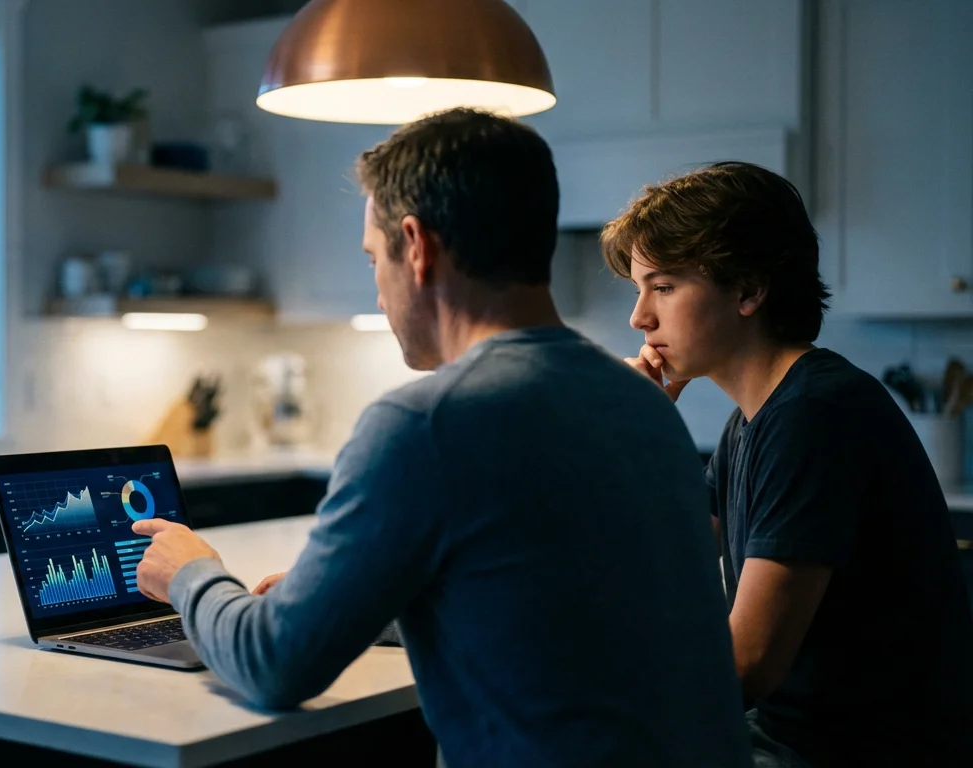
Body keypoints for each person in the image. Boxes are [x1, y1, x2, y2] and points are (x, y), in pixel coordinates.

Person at [131, 108, 750, 767]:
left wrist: (189, 573)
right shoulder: (641, 402)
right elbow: (549, 611)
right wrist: (356, 597)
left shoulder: (425, 424)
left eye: (375, 260)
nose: (377, 292)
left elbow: (274, 665)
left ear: (417, 246)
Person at [605, 161, 973, 767]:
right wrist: (643, 434)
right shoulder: (751, 421)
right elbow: (665, 579)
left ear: (748, 290)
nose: (639, 317)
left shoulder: (814, 414)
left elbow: (746, 666)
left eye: (664, 286)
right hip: (782, 737)